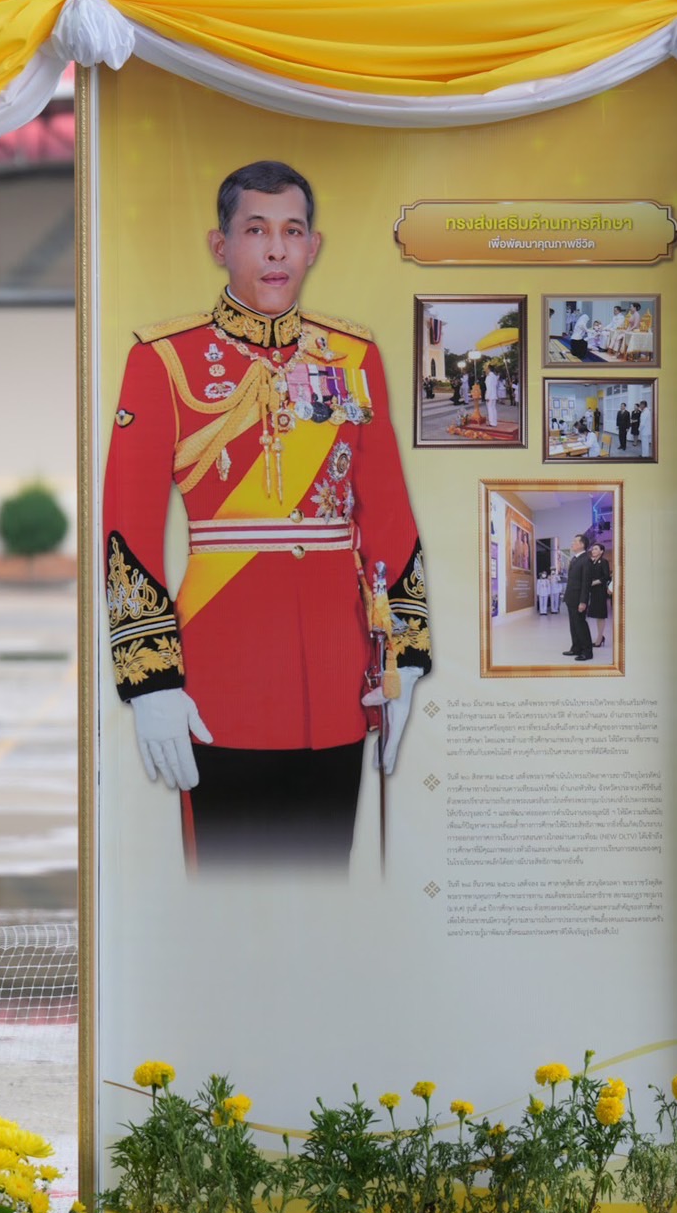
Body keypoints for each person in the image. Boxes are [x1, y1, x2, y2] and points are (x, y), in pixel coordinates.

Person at [102, 159, 431, 869]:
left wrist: (405, 657)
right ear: (220, 245)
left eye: (291, 231)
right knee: (229, 900)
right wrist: (151, 679)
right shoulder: (165, 360)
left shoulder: (353, 354)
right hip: (221, 681)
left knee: (321, 894)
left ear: (313, 247)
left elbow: (389, 516)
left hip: (342, 682)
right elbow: (127, 528)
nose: (276, 249)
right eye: (256, 230)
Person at [561, 535, 593, 662]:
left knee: (580, 625)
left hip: (579, 599)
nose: (572, 543)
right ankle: (576, 648)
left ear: (582, 544)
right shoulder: (575, 559)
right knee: (573, 625)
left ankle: (587, 651)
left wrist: (583, 601)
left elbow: (586, 583)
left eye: (575, 541)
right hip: (571, 597)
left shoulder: (586, 560)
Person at [586, 542, 611, 647]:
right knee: (596, 615)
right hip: (593, 592)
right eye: (593, 549)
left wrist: (594, 582)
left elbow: (606, 577)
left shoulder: (603, 562)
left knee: (600, 615)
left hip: (600, 591)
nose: (593, 550)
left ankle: (599, 638)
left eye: (596, 549)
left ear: (601, 551)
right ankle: (600, 637)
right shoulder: (593, 562)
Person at [484, 364, 500, 428]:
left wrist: (487, 396)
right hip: (494, 394)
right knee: (493, 408)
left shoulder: (489, 377)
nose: (485, 370)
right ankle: (494, 422)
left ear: (489, 369)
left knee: (490, 409)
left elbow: (489, 388)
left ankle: (492, 423)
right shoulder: (494, 376)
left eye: (486, 368)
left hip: (490, 395)